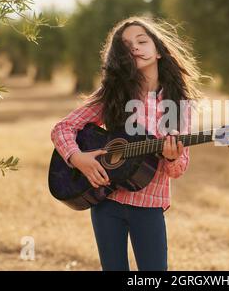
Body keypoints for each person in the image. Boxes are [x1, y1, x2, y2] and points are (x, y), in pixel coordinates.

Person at [50, 16, 203, 271]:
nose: (135, 48)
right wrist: (79, 159)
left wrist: (172, 156)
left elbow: (177, 170)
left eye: (142, 41)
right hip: (106, 202)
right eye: (126, 46)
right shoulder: (113, 94)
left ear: (159, 51)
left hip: (149, 207)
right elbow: (62, 128)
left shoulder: (176, 105)